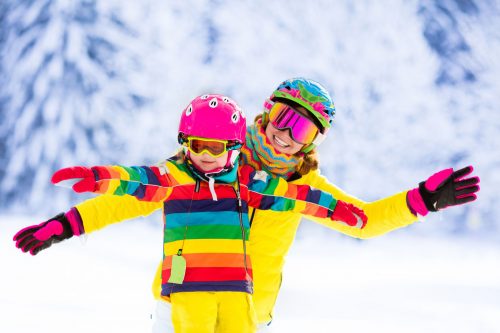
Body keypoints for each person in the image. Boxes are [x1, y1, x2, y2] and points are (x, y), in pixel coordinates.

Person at [16, 78, 480, 331]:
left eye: (301, 129)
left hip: (250, 316)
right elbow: (127, 201)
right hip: (180, 304)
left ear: (314, 140)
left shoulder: (303, 187)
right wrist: (63, 226)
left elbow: (364, 221)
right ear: (265, 112)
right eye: (282, 117)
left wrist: (421, 202)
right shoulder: (211, 160)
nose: (284, 133)